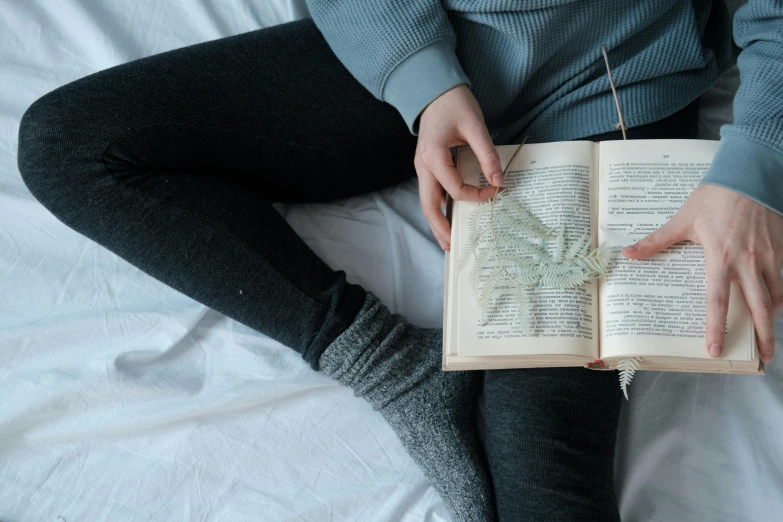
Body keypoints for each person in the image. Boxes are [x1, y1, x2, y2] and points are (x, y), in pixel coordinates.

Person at [16, 1, 783, 521]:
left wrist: (753, 167)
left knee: (540, 477)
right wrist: (422, 82)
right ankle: (395, 365)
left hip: (617, 92)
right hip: (415, 56)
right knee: (71, 145)